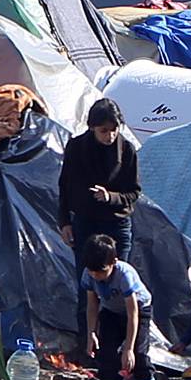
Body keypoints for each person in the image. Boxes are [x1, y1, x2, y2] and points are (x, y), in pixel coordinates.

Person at [57, 95, 140, 268]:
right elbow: (65, 185)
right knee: (87, 281)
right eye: (104, 130)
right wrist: (64, 222)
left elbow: (134, 191)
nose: (110, 136)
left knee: (119, 279)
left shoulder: (126, 150)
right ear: (92, 128)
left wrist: (110, 197)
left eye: (114, 129)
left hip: (116, 223)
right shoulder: (76, 148)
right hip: (85, 223)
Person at [80, 232, 158, 380]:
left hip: (139, 311)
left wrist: (128, 348)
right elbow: (92, 305)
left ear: (113, 262)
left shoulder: (124, 274)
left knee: (138, 358)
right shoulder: (89, 274)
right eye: (92, 271)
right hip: (111, 312)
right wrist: (91, 332)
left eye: (101, 271)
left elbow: (133, 313)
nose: (96, 275)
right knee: (107, 356)